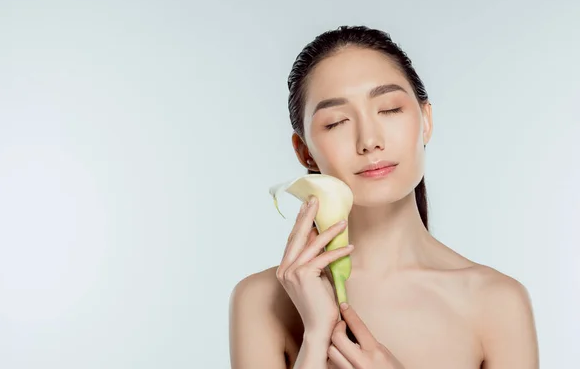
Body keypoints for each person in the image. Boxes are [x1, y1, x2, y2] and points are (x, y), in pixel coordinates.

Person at [228, 25, 539, 369]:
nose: (369, 140)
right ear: (305, 153)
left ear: (426, 121)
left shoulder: (497, 303)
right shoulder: (261, 301)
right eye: (336, 122)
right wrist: (316, 336)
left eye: (389, 109)